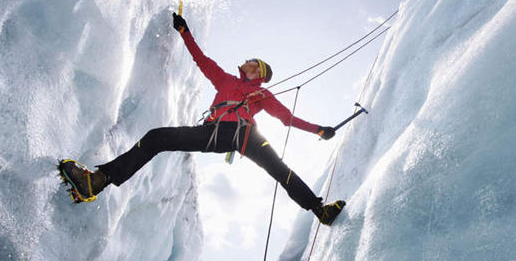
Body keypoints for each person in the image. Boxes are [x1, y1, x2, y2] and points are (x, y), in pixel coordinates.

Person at [59, 13, 346, 225]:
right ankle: (97, 180)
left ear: (258, 71)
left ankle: (320, 210)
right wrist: (184, 31)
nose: (247, 60)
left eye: (253, 61)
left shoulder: (263, 95)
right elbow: (201, 59)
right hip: (214, 132)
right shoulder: (224, 80)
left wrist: (318, 130)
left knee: (281, 170)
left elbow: (287, 118)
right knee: (157, 138)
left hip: (246, 135)